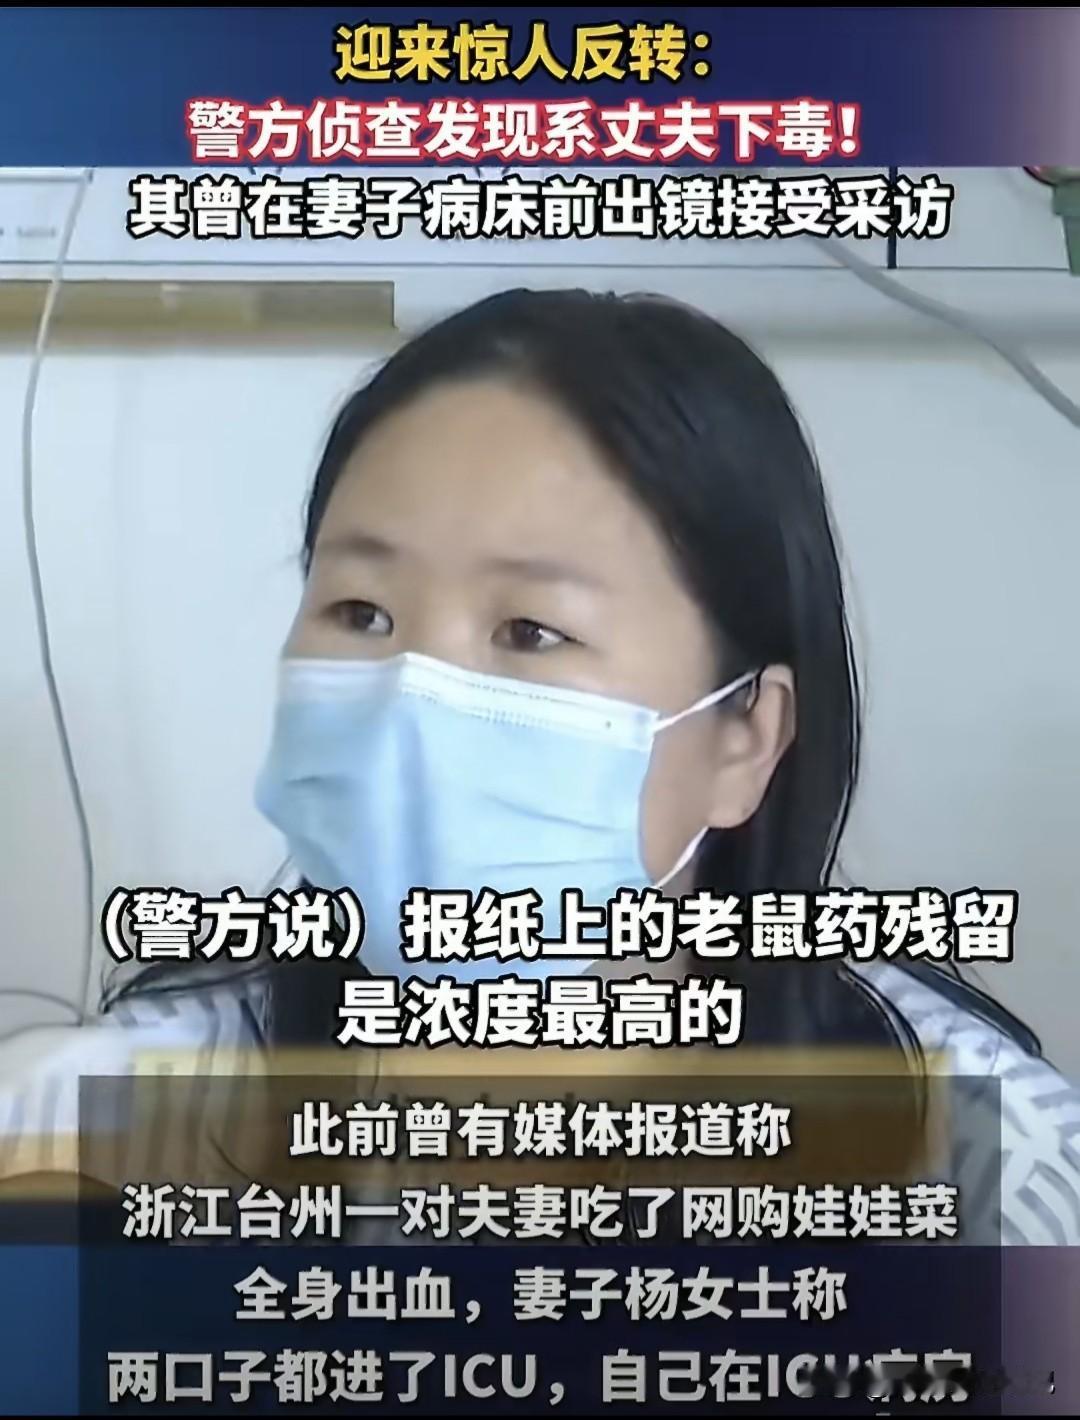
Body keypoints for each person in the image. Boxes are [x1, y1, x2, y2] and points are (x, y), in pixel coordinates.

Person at [1, 289, 1077, 1244]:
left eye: (531, 631)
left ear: (744, 737)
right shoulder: (90, 1128)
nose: (411, 698)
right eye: (360, 612)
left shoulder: (988, 1163)